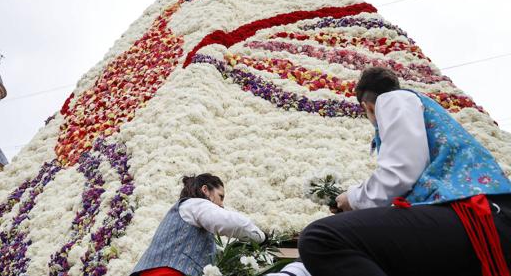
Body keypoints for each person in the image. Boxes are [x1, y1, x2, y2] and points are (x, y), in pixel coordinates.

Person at [298, 67, 511, 276]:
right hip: (482, 219)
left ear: (368, 107)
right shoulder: (421, 105)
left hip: (475, 215)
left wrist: (352, 199)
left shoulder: (394, 100)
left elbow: (401, 171)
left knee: (320, 238)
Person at [131, 173, 265, 276]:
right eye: (220, 196)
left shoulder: (186, 210)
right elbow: (232, 223)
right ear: (205, 190)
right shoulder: (195, 204)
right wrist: (260, 237)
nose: (221, 204)